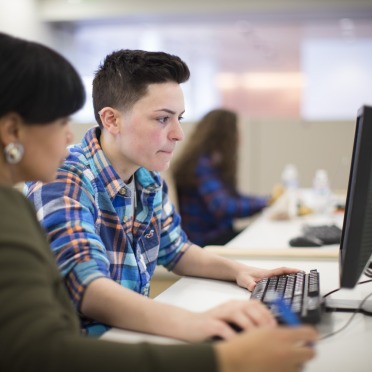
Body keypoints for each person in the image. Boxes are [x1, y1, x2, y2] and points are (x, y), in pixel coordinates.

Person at [0, 32, 317, 372]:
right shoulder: (65, 177)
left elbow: (176, 249)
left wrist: (241, 272)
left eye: (179, 118)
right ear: (111, 120)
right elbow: (86, 286)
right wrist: (199, 325)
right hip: (98, 349)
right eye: (163, 119)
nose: (178, 133)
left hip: (128, 338)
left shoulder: (147, 177)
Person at [172, 108, 268, 246]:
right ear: (226, 135)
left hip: (217, 236)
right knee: (261, 238)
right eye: (237, 131)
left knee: (260, 234)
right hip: (207, 242)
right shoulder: (202, 165)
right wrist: (265, 203)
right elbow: (223, 206)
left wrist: (266, 201)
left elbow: (233, 198)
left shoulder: (210, 161)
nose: (240, 137)